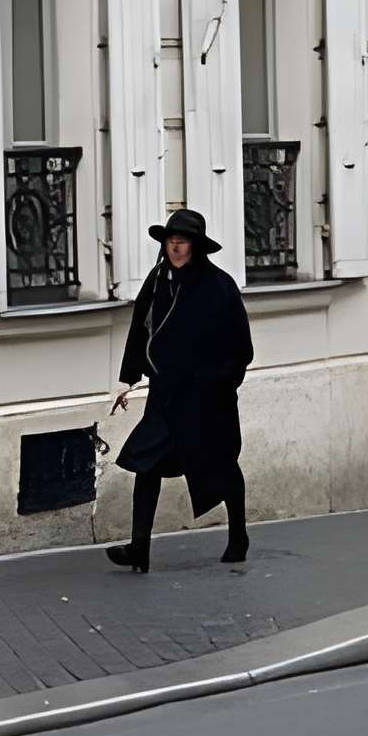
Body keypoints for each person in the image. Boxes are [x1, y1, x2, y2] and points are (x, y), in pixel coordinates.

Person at [106, 208, 253, 572]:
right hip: (166, 393)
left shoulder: (218, 286)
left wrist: (220, 383)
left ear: (195, 246)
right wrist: (131, 376)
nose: (175, 247)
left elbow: (240, 348)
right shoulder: (158, 281)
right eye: (170, 241)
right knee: (147, 462)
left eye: (182, 241)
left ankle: (239, 535)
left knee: (221, 464)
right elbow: (142, 325)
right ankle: (139, 548)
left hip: (207, 398)